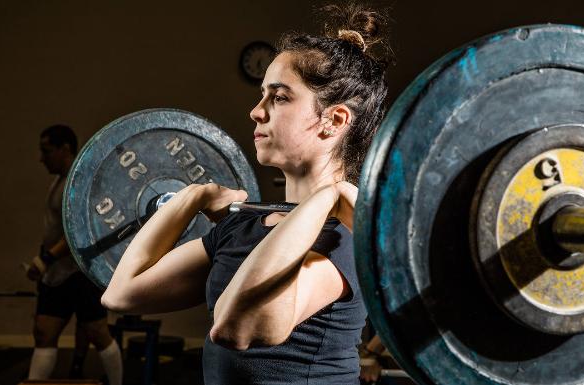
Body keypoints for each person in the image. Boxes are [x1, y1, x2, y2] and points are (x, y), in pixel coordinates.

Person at [102, 3, 391, 384]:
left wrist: (328, 197)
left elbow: (236, 326)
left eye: (280, 97)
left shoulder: (345, 236)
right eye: (262, 95)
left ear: (333, 120)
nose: (256, 111)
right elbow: (122, 294)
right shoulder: (244, 225)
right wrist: (193, 197)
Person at [26, 124, 123, 385]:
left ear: (65, 149)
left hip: (80, 272)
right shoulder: (59, 181)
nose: (41, 158)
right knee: (43, 333)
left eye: (46, 151)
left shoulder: (77, 182)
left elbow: (77, 232)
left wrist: (43, 260)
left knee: (97, 332)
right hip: (56, 273)